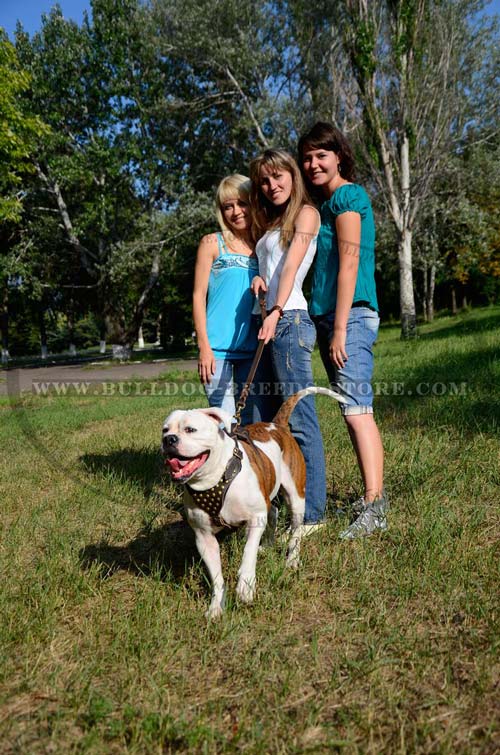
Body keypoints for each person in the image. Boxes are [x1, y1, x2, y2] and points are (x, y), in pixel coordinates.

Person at [298, 122, 388, 539]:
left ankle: (375, 505)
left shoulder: (349, 196)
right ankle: (370, 499)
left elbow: (349, 263)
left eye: (321, 155)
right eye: (308, 157)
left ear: (339, 156)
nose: (313, 163)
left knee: (357, 411)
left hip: (348, 317)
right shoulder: (325, 204)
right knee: (350, 410)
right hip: (330, 319)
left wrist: (337, 329)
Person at [249, 148, 327, 535]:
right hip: (268, 319)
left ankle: (311, 515)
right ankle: (275, 506)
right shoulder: (271, 222)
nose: (272, 185)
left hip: (289, 319)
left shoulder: (306, 214)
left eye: (278, 176)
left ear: (293, 176)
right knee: (266, 422)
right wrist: (259, 280)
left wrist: (276, 311)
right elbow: (274, 267)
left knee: (298, 419)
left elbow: (293, 266)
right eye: (264, 180)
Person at [192, 174, 261, 425]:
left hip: (253, 349)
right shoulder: (212, 242)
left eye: (242, 203)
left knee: (253, 422)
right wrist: (204, 347)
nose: (236, 211)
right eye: (228, 206)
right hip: (216, 350)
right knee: (225, 423)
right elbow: (198, 295)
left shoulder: (263, 245)